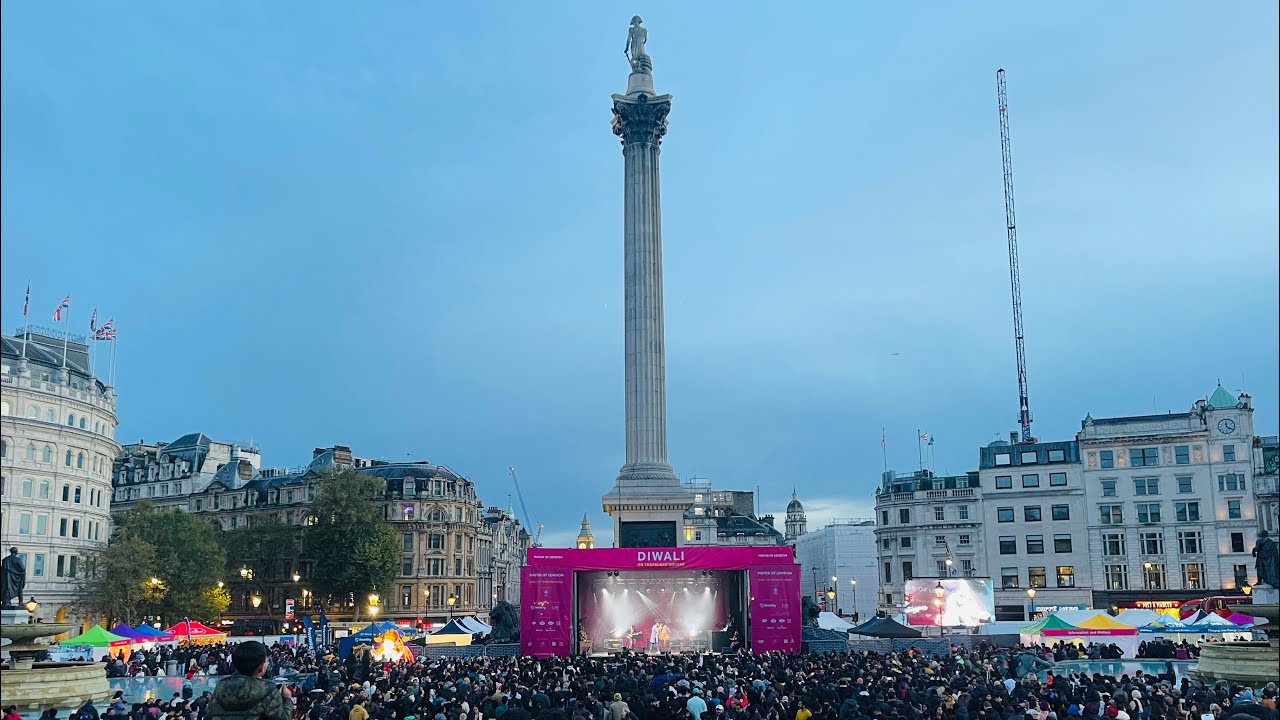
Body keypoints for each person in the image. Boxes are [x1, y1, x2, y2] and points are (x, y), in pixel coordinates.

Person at [206, 640, 293, 720]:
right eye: (266, 661)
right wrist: (287, 699)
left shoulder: (220, 688)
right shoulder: (269, 690)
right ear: (261, 667)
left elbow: (208, 716)